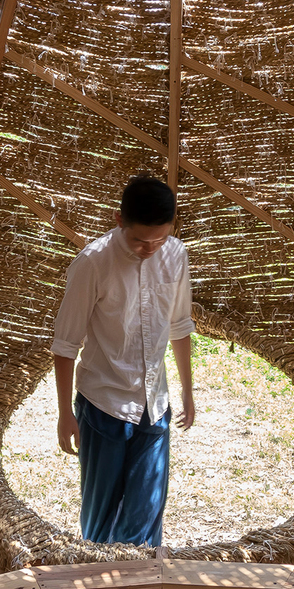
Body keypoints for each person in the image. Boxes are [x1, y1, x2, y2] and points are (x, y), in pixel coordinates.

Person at [49, 175, 195, 545]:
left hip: (155, 405)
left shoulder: (176, 255)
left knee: (147, 514)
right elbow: (65, 345)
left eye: (159, 239)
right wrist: (65, 413)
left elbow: (179, 326)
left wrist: (188, 393)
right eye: (140, 241)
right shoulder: (93, 264)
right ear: (119, 221)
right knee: (101, 517)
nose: (150, 248)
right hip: (103, 405)